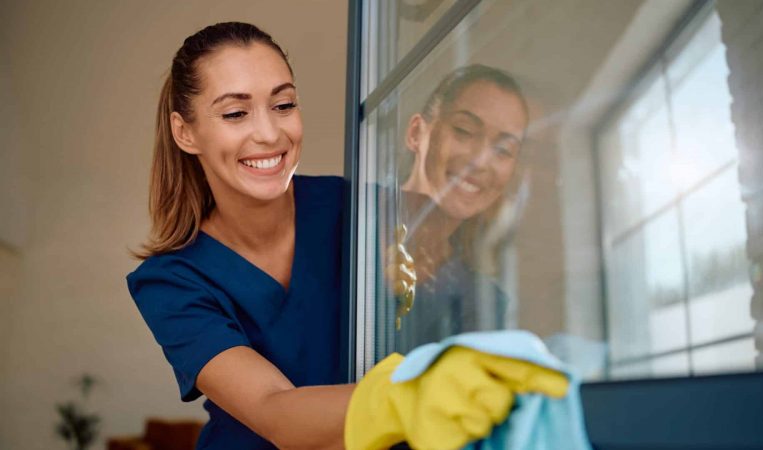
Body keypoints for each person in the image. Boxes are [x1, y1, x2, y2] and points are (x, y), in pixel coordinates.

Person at [127, 22, 563, 450]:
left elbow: (444, 212)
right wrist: (408, 397)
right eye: (236, 113)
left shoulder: (357, 209)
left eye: (283, 105)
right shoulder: (171, 281)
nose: (269, 133)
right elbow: (272, 409)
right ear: (185, 132)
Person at [391, 65, 532, 353]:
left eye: (504, 150)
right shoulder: (343, 217)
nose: (480, 161)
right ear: (417, 133)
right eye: (464, 131)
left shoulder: (485, 304)